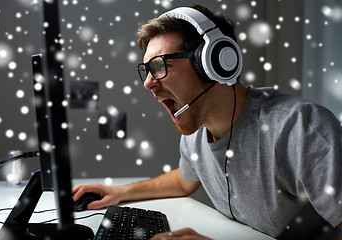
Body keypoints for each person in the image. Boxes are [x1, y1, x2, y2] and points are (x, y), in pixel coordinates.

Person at [72, 4, 342, 239]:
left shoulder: (301, 127)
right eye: (146, 70)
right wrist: (118, 193)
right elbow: (183, 181)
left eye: (159, 65)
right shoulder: (195, 130)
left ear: (214, 62)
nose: (147, 83)